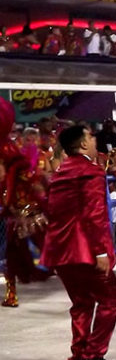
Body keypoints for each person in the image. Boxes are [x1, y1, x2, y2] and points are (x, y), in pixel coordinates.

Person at [40, 125, 116, 360]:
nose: (94, 138)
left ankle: (78, 357)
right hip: (85, 251)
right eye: (90, 136)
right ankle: (94, 354)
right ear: (83, 145)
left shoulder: (60, 172)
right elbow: (94, 214)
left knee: (82, 302)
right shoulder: (90, 171)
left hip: (61, 251)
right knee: (111, 298)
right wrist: (100, 252)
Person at [1, 100, 52, 307]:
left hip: (21, 213)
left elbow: (30, 184)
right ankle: (12, 293)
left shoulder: (12, 155)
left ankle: (12, 293)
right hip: (16, 212)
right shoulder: (12, 151)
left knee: (13, 254)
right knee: (12, 255)